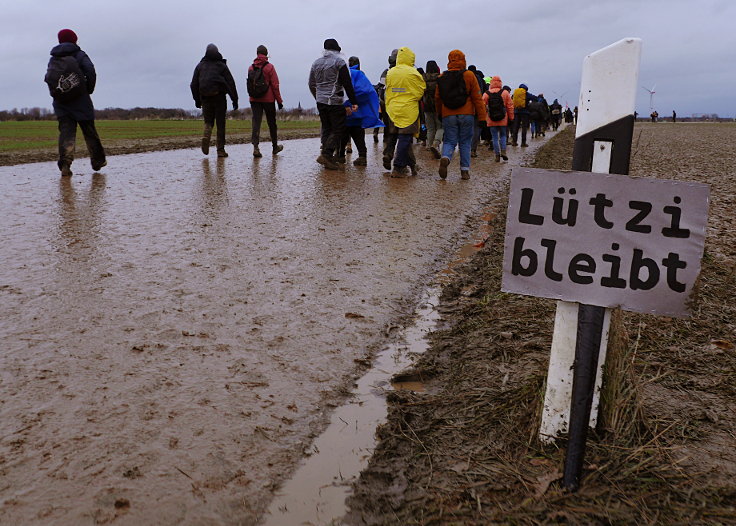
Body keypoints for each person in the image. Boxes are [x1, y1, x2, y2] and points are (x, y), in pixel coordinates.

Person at [45, 29, 106, 177]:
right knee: (89, 131)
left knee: (66, 134)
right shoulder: (79, 54)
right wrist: (88, 90)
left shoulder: (54, 58)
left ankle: (65, 164)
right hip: (81, 101)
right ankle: (97, 162)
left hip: (61, 102)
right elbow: (90, 71)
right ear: (75, 40)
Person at [434, 49, 485, 180]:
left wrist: (439, 113)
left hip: (448, 114)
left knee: (450, 141)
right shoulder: (469, 75)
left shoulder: (442, 77)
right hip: (467, 113)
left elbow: (438, 98)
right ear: (463, 60)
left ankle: (445, 157)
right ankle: (464, 171)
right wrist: (482, 117)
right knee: (465, 142)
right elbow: (477, 98)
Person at [309, 38, 358, 170]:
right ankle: (326, 154)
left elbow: (311, 84)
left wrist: (318, 96)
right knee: (338, 129)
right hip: (335, 100)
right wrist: (353, 101)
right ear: (337, 49)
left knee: (326, 128)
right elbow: (347, 83)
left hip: (321, 101)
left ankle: (327, 157)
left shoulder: (316, 63)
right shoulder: (339, 62)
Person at [191, 43, 238, 158]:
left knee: (208, 122)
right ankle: (220, 150)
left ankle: (207, 132)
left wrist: (197, 100)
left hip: (205, 97)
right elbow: (231, 83)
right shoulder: (221, 65)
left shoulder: (200, 66)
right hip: (219, 97)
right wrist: (234, 100)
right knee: (221, 124)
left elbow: (193, 84)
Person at [385, 47, 426, 176]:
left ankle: (409, 164)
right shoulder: (413, 73)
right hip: (409, 110)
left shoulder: (391, 72)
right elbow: (420, 92)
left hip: (392, 109)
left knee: (395, 136)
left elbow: (388, 89)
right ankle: (398, 166)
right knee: (405, 138)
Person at [338, 56, 383, 166]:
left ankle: (340, 157)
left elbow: (343, 91)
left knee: (343, 135)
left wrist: (346, 104)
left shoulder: (346, 73)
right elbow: (367, 91)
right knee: (358, 135)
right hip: (358, 111)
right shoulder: (360, 75)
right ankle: (362, 157)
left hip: (346, 111)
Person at [247, 45, 284, 158]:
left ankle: (255, 147)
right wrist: (279, 101)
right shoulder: (270, 67)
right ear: (266, 54)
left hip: (254, 99)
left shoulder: (251, 68)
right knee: (271, 123)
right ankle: (274, 147)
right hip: (268, 99)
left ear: (257, 53)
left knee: (256, 123)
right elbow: (275, 85)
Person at [482, 75, 514, 162]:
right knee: (503, 136)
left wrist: (484, 117)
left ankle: (497, 155)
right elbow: (510, 106)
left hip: (491, 119)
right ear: (500, 82)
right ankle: (503, 151)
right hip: (503, 118)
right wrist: (511, 117)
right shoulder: (505, 93)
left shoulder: (486, 94)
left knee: (494, 137)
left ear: (491, 83)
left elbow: (482, 107)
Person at [423, 60, 443, 159]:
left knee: (430, 128)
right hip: (438, 106)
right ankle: (436, 144)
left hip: (426, 106)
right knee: (440, 127)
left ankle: (430, 146)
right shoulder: (440, 78)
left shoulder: (423, 78)